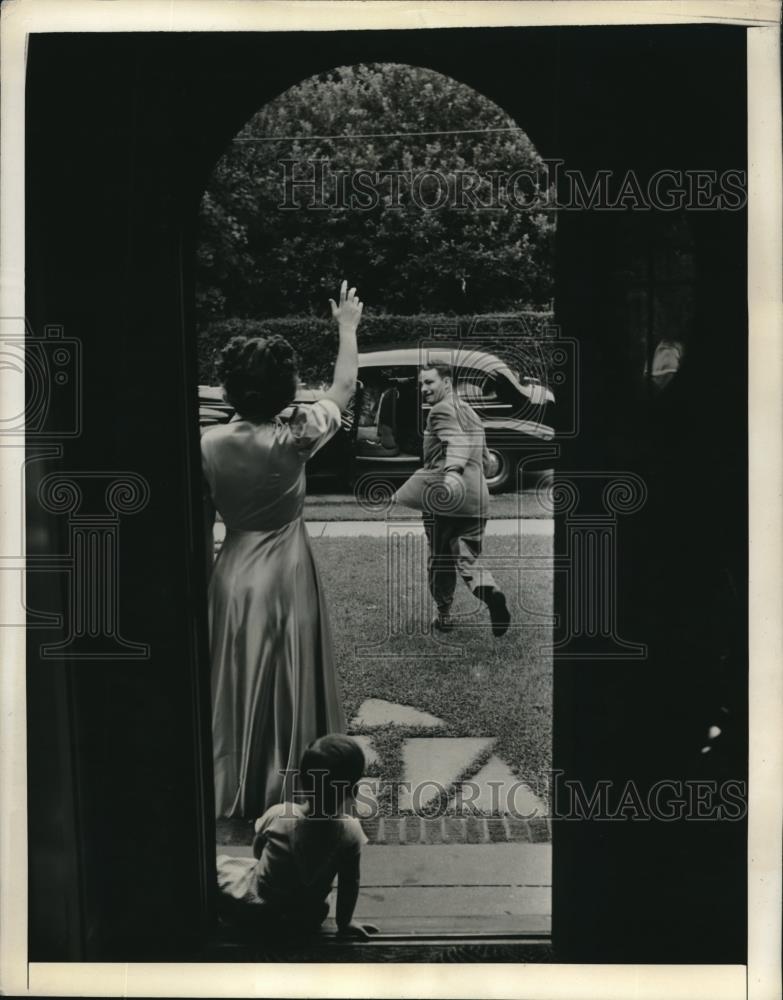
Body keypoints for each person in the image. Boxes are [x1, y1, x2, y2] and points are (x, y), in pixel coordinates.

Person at [202, 281, 363, 819]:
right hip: (289, 570)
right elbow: (343, 387)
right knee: (294, 673)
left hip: (232, 571)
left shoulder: (207, 446)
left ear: (229, 390)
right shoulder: (298, 433)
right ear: (284, 389)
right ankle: (300, 785)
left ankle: (237, 781)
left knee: (235, 674)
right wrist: (346, 326)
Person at [215, 734, 379, 939]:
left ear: (301, 782)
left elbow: (258, 850)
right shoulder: (351, 832)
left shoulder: (279, 814)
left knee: (220, 867)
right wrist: (345, 923)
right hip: (305, 918)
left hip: (258, 908)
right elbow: (349, 882)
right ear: (353, 791)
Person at [393, 361, 511, 637]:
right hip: (477, 501)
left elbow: (456, 442)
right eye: (421, 383)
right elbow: (485, 460)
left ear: (446, 383)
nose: (423, 388)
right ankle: (489, 590)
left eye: (429, 382)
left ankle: (444, 616)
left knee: (440, 559)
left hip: (447, 497)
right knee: (467, 557)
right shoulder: (470, 411)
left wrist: (452, 472)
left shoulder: (441, 410)